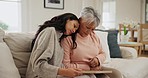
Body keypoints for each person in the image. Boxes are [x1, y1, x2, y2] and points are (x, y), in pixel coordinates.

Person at [61, 7, 122, 78]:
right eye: (87, 27)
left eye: (93, 29)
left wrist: (97, 59)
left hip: (95, 69)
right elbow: (65, 65)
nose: (89, 32)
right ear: (80, 20)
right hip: (77, 72)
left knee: (117, 74)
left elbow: (102, 53)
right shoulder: (68, 38)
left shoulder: (94, 36)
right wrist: (88, 67)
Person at [26, 13, 83, 78]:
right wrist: (65, 72)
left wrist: (70, 71)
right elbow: (38, 65)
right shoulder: (50, 31)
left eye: (75, 30)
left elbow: (56, 65)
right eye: (74, 26)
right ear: (68, 19)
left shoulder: (59, 39)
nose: (73, 31)